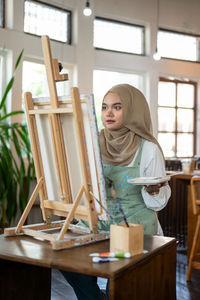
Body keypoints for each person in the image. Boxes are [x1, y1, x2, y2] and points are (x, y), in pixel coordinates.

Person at [61, 83, 171, 300]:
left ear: (133, 110)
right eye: (104, 107)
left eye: (117, 107)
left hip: (135, 226)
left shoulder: (148, 148)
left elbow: (158, 204)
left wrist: (153, 191)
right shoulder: (93, 142)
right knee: (65, 255)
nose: (108, 113)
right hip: (99, 222)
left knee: (121, 285)